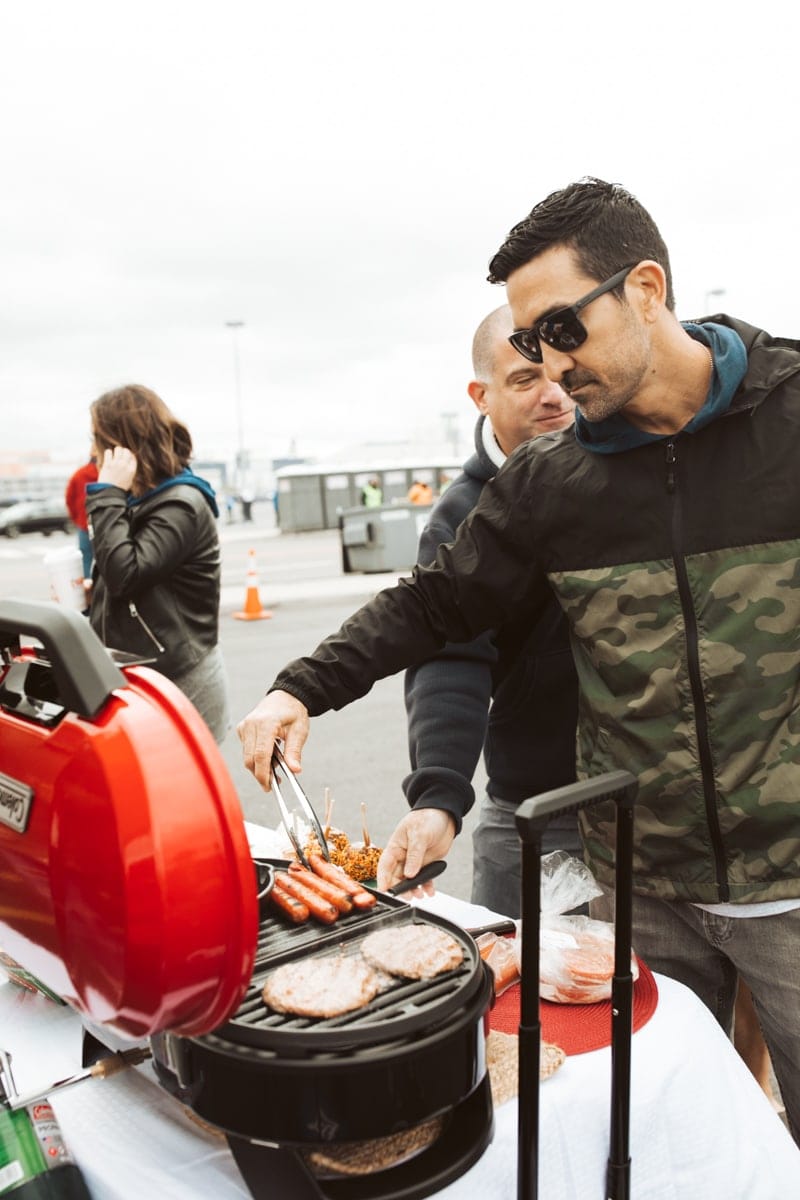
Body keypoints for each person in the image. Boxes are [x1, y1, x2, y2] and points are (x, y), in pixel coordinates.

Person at [237, 178, 800, 1143]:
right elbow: (438, 605)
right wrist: (301, 686)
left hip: (794, 888)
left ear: (647, 289)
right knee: (670, 1140)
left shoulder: (790, 421)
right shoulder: (554, 482)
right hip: (647, 896)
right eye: (528, 344)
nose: (547, 365)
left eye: (562, 330)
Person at [380, 305, 578, 917]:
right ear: (481, 395)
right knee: (516, 996)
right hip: (533, 804)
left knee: (662, 1001)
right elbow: (448, 651)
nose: (553, 395)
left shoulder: (627, 468)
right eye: (525, 379)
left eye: (562, 374)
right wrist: (438, 797)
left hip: (653, 813)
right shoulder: (463, 512)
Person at [87, 383, 231, 744]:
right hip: (148, 674)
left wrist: (107, 495)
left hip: (182, 678)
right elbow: (129, 579)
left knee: (181, 796)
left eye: (97, 440)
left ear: (124, 445)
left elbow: (126, 574)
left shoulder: (181, 503)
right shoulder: (144, 500)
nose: (92, 453)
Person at [64, 454, 99, 580]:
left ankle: (87, 588)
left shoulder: (79, 475)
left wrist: (77, 519)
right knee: (103, 557)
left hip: (84, 523)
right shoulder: (105, 474)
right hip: (102, 523)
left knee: (85, 558)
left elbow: (69, 499)